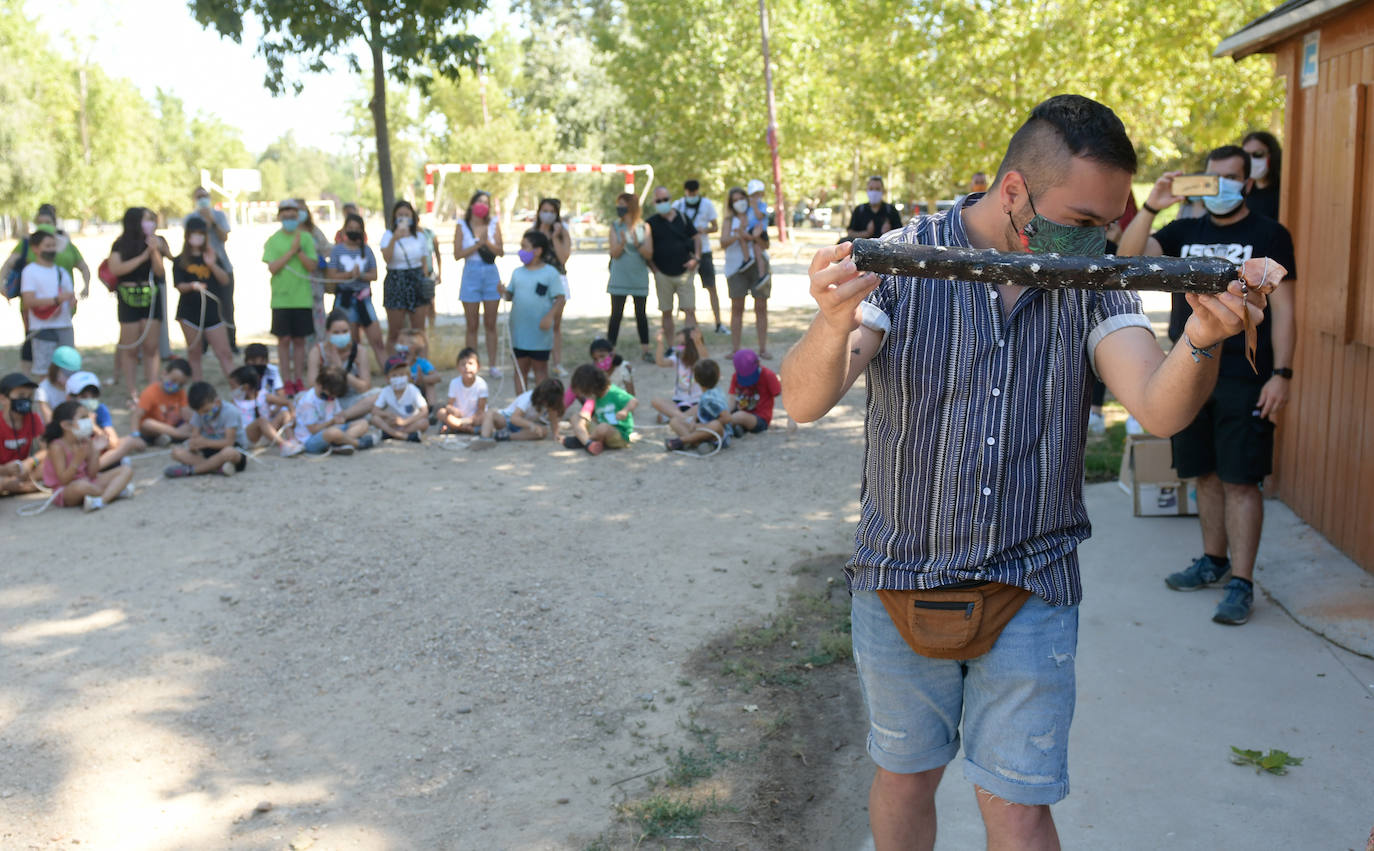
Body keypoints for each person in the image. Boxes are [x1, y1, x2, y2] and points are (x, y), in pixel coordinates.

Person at [781, 94, 1274, 849]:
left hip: (1033, 584)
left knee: (1017, 807)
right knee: (906, 774)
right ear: (1015, 191)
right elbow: (805, 399)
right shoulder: (908, 257)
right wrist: (831, 319)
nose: (1102, 240)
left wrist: (1202, 337)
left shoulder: (1092, 278)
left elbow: (1159, 406)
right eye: (1082, 222)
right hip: (898, 576)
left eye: (1111, 223)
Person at [1119, 144, 1297, 627]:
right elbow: (1127, 261)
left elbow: (1286, 310)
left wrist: (1283, 375)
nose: (1220, 186)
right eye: (1211, 178)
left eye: (1230, 178)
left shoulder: (1268, 234)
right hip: (1191, 370)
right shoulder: (1183, 231)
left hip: (1248, 375)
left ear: (1249, 183)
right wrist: (1153, 204)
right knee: (1205, 475)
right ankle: (1213, 561)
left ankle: (1241, 582)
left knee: (1242, 480)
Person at [2, 204, 90, 375]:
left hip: (63, 316)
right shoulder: (27, 247)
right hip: (39, 318)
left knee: (66, 364)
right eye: (41, 222)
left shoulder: (66, 246)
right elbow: (9, 263)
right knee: (38, 355)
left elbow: (82, 266)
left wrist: (83, 289)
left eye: (48, 222)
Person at [107, 207, 170, 396]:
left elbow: (160, 272)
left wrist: (154, 251)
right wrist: (142, 257)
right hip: (128, 299)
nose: (150, 223)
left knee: (151, 347)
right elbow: (116, 269)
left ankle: (152, 388)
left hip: (151, 297)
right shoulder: (120, 245)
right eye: (146, 219)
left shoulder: (156, 243)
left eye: (152, 219)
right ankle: (132, 391)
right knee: (130, 348)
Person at [501, 230, 567, 393]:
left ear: (538, 251)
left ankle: (540, 405)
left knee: (540, 369)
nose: (521, 251)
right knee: (520, 370)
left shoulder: (550, 273)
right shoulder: (517, 273)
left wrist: (549, 316)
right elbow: (510, 295)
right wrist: (503, 291)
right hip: (519, 332)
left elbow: (560, 298)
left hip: (539, 333)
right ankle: (520, 404)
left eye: (525, 247)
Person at [263, 199, 318, 395]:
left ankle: (298, 379)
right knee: (284, 341)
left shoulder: (306, 238)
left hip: (302, 299)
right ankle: (285, 380)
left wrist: (299, 250)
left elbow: (312, 266)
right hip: (281, 300)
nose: (289, 219)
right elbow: (273, 267)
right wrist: (291, 251)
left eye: (293, 216)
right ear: (279, 217)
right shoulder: (273, 240)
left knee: (300, 341)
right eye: (285, 216)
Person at [40, 400, 135, 512]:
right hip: (67, 490)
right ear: (66, 425)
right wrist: (78, 459)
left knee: (126, 470)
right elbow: (63, 480)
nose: (88, 421)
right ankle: (114, 493)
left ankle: (101, 500)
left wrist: (95, 451)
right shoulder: (57, 446)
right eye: (83, 418)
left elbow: (92, 474)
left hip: (88, 483)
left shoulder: (84, 440)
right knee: (81, 486)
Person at [172, 217, 235, 381]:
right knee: (194, 352)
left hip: (212, 311)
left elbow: (225, 280)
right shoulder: (180, 260)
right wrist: (193, 285)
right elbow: (179, 285)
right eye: (194, 233)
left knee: (224, 352)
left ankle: (237, 389)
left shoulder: (212, 256)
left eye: (201, 233)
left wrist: (212, 264)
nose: (198, 237)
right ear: (187, 235)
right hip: (189, 312)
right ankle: (198, 391)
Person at [326, 212, 387, 372]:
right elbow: (332, 276)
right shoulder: (337, 250)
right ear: (344, 230)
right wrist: (349, 275)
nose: (353, 231)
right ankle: (351, 375)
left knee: (377, 341)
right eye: (350, 228)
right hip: (345, 300)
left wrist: (360, 275)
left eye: (357, 228)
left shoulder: (366, 251)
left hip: (364, 300)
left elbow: (374, 275)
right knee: (350, 343)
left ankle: (389, 374)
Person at [454, 191, 505, 377]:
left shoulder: (493, 223)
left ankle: (492, 365)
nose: (483, 205)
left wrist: (487, 243)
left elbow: (500, 251)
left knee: (490, 323)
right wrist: (477, 244)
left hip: (491, 273)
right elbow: (457, 254)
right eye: (479, 202)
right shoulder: (462, 225)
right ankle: (470, 365)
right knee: (472, 324)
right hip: (471, 273)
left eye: (486, 203)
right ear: (472, 204)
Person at [721, 186, 772, 358]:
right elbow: (723, 242)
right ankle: (735, 349)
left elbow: (765, 244)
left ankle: (763, 349)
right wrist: (740, 234)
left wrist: (754, 236)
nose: (739, 203)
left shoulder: (756, 217)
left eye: (741, 198)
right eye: (734, 200)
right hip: (736, 268)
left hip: (758, 266)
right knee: (737, 308)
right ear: (731, 203)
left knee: (761, 307)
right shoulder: (729, 221)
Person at [647, 186, 701, 348]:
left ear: (670, 199)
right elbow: (646, 249)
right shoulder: (650, 223)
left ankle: (690, 347)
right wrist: (655, 270)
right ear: (654, 202)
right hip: (663, 274)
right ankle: (671, 347)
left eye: (665, 199)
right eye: (659, 201)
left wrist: (696, 258)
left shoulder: (683, 218)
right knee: (666, 312)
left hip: (685, 272)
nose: (662, 203)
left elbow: (697, 237)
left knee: (689, 310)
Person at [19, 228, 77, 378]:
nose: (51, 249)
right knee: (44, 372)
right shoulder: (30, 271)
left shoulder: (61, 272)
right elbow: (28, 301)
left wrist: (71, 300)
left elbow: (70, 295)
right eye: (47, 246)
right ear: (35, 249)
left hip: (64, 326)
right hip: (42, 328)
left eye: (53, 245)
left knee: (68, 370)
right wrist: (56, 300)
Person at [306, 310, 379, 425]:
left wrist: (341, 370)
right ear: (328, 333)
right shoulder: (318, 351)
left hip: (352, 401)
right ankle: (352, 417)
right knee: (300, 398)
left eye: (345, 331)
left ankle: (343, 416)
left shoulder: (359, 351)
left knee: (380, 394)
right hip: (326, 400)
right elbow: (312, 385)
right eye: (336, 332)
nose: (341, 335)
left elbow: (365, 387)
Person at [606, 192, 654, 363]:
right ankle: (609, 351)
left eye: (622, 204)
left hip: (638, 277)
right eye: (618, 204)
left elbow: (648, 254)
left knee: (641, 314)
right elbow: (614, 253)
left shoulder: (644, 227)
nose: (619, 208)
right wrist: (623, 242)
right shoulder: (614, 226)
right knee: (616, 314)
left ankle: (646, 349)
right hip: (619, 278)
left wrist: (637, 242)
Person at [164, 381, 249, 478]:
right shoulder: (199, 413)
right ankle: (217, 468)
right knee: (176, 452)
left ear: (217, 402)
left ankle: (192, 470)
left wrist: (205, 442)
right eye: (199, 412)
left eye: (206, 411)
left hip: (233, 450)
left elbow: (229, 442)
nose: (203, 415)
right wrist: (194, 445)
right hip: (209, 452)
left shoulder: (230, 412)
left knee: (228, 452)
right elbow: (195, 437)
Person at [187, 187, 236, 351]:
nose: (202, 199)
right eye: (199, 196)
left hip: (222, 265)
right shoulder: (191, 218)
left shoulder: (219, 215)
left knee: (227, 306)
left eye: (205, 196)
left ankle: (231, 342)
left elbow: (225, 237)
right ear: (194, 199)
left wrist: (212, 221)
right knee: (203, 305)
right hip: (200, 268)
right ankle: (204, 345)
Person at [674, 180, 724, 333]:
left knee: (711, 286)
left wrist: (705, 230)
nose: (692, 195)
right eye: (689, 192)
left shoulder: (706, 204)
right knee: (685, 288)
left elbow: (715, 227)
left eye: (694, 192)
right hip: (686, 252)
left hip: (704, 250)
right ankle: (690, 323)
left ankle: (718, 323)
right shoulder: (678, 206)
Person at [292, 366, 376, 456]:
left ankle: (340, 443)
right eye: (330, 396)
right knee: (334, 433)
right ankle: (357, 443)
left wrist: (340, 419)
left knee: (363, 423)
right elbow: (313, 430)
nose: (331, 399)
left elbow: (337, 414)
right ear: (320, 385)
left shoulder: (332, 397)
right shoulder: (308, 402)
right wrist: (331, 422)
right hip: (310, 440)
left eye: (334, 397)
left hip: (332, 430)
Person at [380, 199, 428, 352]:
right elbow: (387, 258)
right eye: (400, 215)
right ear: (394, 217)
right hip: (396, 279)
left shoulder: (420, 236)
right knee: (395, 331)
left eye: (407, 215)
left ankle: (422, 365)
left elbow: (424, 261)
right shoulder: (388, 235)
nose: (403, 218)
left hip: (416, 278)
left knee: (419, 331)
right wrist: (395, 238)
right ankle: (393, 367)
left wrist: (425, 281)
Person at [66, 371, 137, 470]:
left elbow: (113, 443)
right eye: (84, 396)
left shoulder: (100, 410)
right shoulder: (64, 414)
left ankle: (95, 469)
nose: (90, 400)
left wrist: (94, 426)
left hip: (98, 456)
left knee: (127, 442)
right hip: (76, 461)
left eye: (93, 396)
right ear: (70, 397)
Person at [533, 198, 573, 377]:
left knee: (555, 325)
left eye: (551, 211)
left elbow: (564, 258)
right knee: (537, 323)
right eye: (544, 210)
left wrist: (555, 236)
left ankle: (557, 363)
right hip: (537, 281)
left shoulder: (562, 232)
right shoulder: (532, 232)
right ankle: (537, 363)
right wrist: (540, 235)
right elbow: (528, 256)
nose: (547, 214)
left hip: (558, 280)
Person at [227, 365, 300, 456]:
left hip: (268, 435)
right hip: (249, 437)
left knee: (284, 414)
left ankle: (292, 441)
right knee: (261, 421)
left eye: (233, 386)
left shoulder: (263, 396)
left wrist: (293, 414)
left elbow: (288, 403)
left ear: (245, 387)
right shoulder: (235, 402)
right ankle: (283, 445)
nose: (231, 389)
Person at [564, 363, 636, 455]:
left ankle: (584, 441)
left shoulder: (614, 392)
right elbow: (595, 414)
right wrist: (586, 419)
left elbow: (633, 401)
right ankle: (588, 443)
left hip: (618, 433)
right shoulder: (596, 396)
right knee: (575, 417)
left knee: (603, 427)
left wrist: (625, 411)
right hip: (599, 430)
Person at [127, 358, 194, 451]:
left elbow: (187, 415)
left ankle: (168, 437)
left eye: (181, 384)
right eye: (174, 380)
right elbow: (136, 416)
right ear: (164, 374)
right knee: (147, 423)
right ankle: (180, 436)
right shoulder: (150, 392)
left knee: (191, 422)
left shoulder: (180, 392)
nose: (176, 386)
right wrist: (135, 436)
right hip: (154, 430)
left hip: (173, 426)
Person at [474, 378, 566, 444]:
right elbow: (514, 418)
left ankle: (504, 436)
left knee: (543, 432)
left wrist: (556, 434)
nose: (547, 406)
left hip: (521, 427)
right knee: (491, 413)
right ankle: (485, 439)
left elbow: (553, 419)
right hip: (507, 420)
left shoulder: (551, 403)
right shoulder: (528, 398)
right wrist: (532, 425)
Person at [664, 358, 729, 453]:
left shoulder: (712, 397)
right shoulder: (708, 394)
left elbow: (727, 418)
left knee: (715, 424)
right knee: (674, 421)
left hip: (717, 434)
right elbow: (700, 408)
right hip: (702, 427)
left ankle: (683, 441)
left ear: (696, 380)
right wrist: (694, 420)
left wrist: (705, 425)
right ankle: (698, 443)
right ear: (719, 375)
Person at [0, 373, 44, 496]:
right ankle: (24, 486)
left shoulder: (33, 418)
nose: (26, 400)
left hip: (24, 471)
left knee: (51, 464)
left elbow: (46, 450)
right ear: (3, 399)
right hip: (3, 472)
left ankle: (16, 486)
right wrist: (5, 470)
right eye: (21, 395)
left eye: (29, 396)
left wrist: (31, 462)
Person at [651, 326, 707, 421]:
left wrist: (698, 342)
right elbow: (660, 362)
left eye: (682, 344)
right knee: (655, 401)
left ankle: (677, 417)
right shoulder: (677, 358)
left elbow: (705, 359)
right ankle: (685, 418)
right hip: (678, 402)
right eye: (678, 344)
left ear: (691, 346)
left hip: (697, 402)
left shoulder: (700, 360)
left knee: (706, 405)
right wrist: (660, 343)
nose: (678, 347)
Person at [370, 355, 429, 442]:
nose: (398, 378)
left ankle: (391, 434)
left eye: (401, 374)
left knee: (424, 423)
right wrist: (387, 415)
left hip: (410, 422)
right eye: (394, 375)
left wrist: (405, 422)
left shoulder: (413, 389)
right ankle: (404, 436)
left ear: (408, 376)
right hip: (393, 422)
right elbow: (375, 411)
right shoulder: (386, 391)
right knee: (375, 419)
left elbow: (424, 411)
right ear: (387, 378)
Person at [297, 200, 332, 340]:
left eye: (302, 210)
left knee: (318, 319)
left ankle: (320, 351)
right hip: (296, 284)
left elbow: (327, 248)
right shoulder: (289, 234)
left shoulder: (314, 231)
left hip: (315, 282)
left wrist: (320, 259)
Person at [726, 349, 781, 436]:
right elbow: (732, 400)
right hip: (740, 411)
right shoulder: (736, 376)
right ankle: (737, 428)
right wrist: (726, 412)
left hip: (760, 418)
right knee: (726, 413)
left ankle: (724, 426)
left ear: (759, 363)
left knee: (740, 416)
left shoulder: (768, 375)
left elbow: (780, 393)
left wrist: (791, 419)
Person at [435, 347, 488, 435]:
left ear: (478, 367)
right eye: (463, 364)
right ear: (458, 367)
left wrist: (470, 420)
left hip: (474, 419)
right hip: (458, 418)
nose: (467, 367)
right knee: (441, 412)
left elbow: (481, 409)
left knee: (485, 416)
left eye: (470, 363)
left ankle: (456, 428)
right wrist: (453, 410)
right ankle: (468, 429)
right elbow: (449, 405)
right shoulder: (454, 383)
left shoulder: (482, 384)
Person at [1241, 130, 1282, 221]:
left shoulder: (1283, 192)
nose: (1251, 160)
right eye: (1246, 155)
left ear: (1273, 155)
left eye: (1258, 154)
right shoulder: (1242, 191)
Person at [846, 175, 903, 241]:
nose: (874, 192)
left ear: (883, 191)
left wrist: (889, 233)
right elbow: (850, 232)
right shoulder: (859, 210)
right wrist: (866, 233)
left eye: (877, 189)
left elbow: (901, 234)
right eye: (871, 189)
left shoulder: (891, 210)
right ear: (867, 190)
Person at [36, 345, 82, 422]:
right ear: (55, 371)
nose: (71, 378)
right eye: (68, 374)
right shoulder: (43, 390)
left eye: (75, 374)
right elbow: (49, 421)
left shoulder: (76, 387)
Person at [399, 329, 440, 406]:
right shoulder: (397, 364)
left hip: (420, 392)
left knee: (430, 384)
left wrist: (423, 379)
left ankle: (432, 408)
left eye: (410, 343)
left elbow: (438, 377)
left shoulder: (422, 363)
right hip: (403, 392)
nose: (404, 346)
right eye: (401, 343)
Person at [744, 179, 772, 289]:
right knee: (754, 250)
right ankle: (747, 260)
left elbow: (760, 216)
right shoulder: (747, 208)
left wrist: (755, 205)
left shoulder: (762, 205)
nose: (755, 197)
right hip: (751, 231)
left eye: (757, 194)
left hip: (761, 232)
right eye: (753, 195)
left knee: (758, 252)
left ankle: (762, 274)